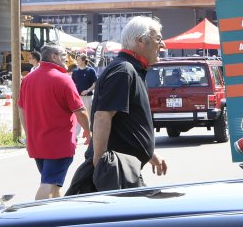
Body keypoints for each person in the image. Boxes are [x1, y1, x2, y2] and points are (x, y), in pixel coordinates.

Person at [65, 16, 167, 195]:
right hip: (115, 170)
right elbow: (102, 116)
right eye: (158, 39)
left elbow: (125, 125)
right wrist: (101, 164)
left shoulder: (131, 69)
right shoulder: (123, 70)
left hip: (122, 168)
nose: (163, 45)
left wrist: (150, 154)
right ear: (140, 41)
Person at [19, 45, 91, 200]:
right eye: (64, 55)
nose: (67, 59)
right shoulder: (63, 79)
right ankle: (36, 214)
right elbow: (80, 111)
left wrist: (28, 134)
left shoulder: (28, 79)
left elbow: (21, 109)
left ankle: (56, 213)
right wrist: (88, 131)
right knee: (48, 184)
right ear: (54, 56)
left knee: (55, 185)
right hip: (58, 144)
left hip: (37, 142)